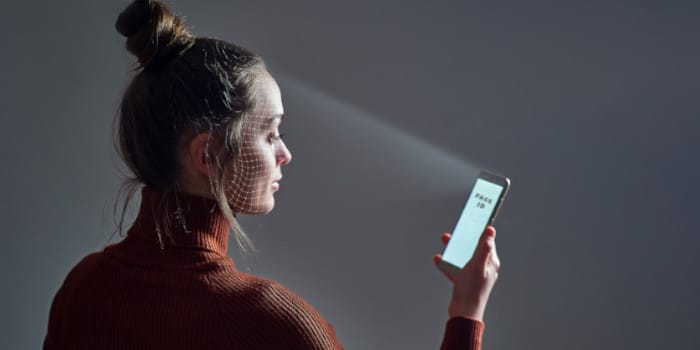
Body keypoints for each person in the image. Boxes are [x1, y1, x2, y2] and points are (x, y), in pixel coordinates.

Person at [43, 0, 501, 349]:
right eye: (270, 133)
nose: (285, 154)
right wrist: (466, 310)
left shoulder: (82, 287)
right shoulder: (274, 324)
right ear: (206, 155)